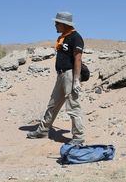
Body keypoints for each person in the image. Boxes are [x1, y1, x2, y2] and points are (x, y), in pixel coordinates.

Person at [27, 12, 85, 145]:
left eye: (57, 23)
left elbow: (78, 59)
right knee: (52, 104)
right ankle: (42, 130)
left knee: (73, 106)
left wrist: (76, 80)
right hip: (61, 75)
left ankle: (78, 137)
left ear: (64, 24)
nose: (55, 25)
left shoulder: (76, 38)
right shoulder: (63, 38)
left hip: (70, 75)